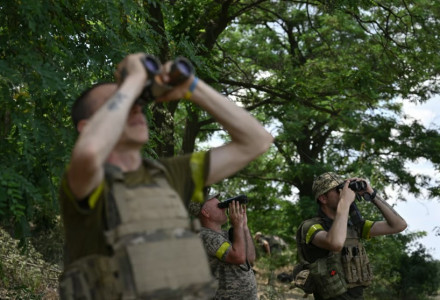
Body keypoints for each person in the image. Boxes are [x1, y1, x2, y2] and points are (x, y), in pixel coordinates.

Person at [58, 53, 273, 300]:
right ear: (87, 127)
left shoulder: (168, 175)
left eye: (137, 101)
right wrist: (135, 78)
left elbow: (257, 141)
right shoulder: (86, 180)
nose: (135, 105)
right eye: (118, 101)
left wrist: (191, 86)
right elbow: (90, 151)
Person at [296, 172, 407, 300]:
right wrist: (344, 203)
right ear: (323, 199)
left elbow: (399, 225)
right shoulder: (310, 226)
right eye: (338, 190)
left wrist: (371, 194)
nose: (344, 192)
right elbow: (335, 243)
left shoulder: (354, 226)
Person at [192, 194, 258, 300]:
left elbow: (250, 258)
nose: (225, 208)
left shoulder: (226, 234)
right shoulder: (205, 236)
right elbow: (238, 257)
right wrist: (237, 226)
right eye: (220, 205)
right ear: (205, 212)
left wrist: (244, 226)